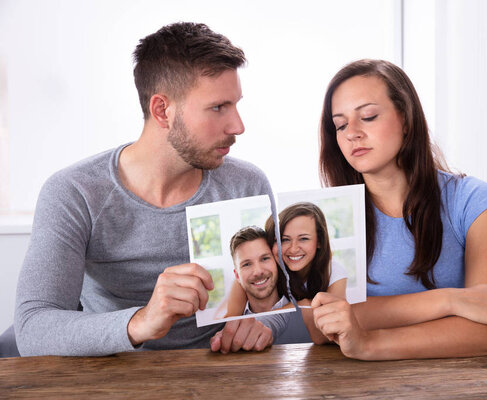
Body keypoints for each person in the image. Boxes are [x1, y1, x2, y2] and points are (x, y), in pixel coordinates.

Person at [14, 22, 283, 357]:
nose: (238, 126)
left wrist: (264, 324)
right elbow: (33, 329)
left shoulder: (247, 184)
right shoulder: (74, 193)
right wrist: (140, 323)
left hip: (223, 369)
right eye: (218, 108)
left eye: (236, 104)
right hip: (113, 375)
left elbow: (279, 296)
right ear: (162, 110)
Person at [312, 59, 487, 360]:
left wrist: (368, 342)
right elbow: (320, 325)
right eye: (341, 124)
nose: (352, 133)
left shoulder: (473, 199)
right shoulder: (329, 214)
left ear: (407, 119)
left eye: (368, 116)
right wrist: (452, 301)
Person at [226, 202, 347, 344]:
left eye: (303, 238)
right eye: (284, 240)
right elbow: (229, 321)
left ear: (319, 241)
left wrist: (302, 305)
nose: (293, 249)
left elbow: (334, 325)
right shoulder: (264, 271)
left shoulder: (333, 270)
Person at [230, 226, 289, 314]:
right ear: (237, 276)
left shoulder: (305, 312)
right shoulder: (228, 322)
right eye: (247, 264)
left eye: (264, 259)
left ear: (276, 262)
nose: (258, 272)